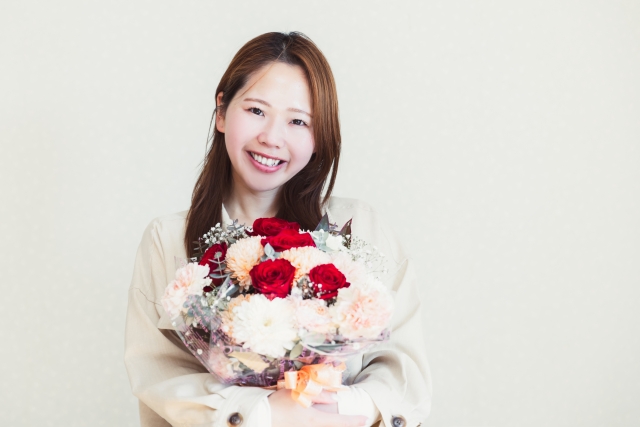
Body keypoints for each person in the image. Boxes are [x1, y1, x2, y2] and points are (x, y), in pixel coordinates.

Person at [125, 31, 431, 427]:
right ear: (222, 112)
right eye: (256, 110)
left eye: (298, 121)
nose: (271, 137)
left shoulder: (363, 229)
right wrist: (263, 412)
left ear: (319, 136)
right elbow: (159, 376)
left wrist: (338, 408)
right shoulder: (166, 240)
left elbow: (406, 372)